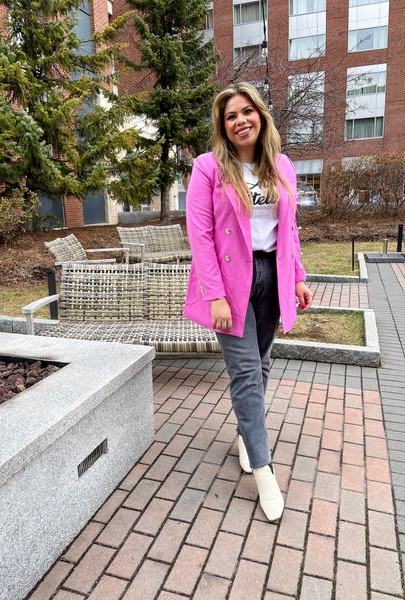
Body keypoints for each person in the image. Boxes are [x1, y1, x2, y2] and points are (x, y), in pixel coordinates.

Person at [183, 82, 312, 521]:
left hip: (272, 276)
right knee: (245, 374)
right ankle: (263, 468)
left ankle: (244, 436)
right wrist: (214, 295)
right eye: (231, 116)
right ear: (223, 126)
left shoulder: (284, 167)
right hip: (230, 282)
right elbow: (199, 236)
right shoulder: (207, 168)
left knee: (262, 365)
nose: (240, 120)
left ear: (261, 116)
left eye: (247, 111)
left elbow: (288, 230)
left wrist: (297, 277)